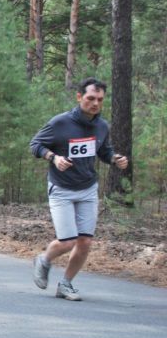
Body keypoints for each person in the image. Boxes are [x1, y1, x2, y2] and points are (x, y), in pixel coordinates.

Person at [29, 77, 129, 301]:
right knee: (67, 241)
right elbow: (35, 145)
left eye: (99, 100)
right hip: (61, 188)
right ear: (79, 97)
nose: (95, 103)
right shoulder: (60, 123)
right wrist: (54, 158)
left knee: (85, 241)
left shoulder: (102, 126)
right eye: (90, 98)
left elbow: (103, 151)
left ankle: (65, 284)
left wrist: (115, 158)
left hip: (88, 189)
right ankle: (44, 259)